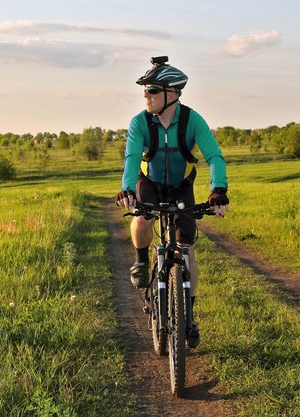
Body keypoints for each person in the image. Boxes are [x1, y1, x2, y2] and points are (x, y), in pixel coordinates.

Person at [116, 56, 229, 348]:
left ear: (172, 93)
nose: (146, 95)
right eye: (145, 90)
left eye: (152, 90)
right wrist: (127, 189)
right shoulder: (140, 123)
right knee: (143, 217)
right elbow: (131, 159)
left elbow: (214, 156)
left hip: (181, 187)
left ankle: (188, 316)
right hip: (149, 183)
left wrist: (218, 190)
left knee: (186, 247)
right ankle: (141, 261)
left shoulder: (193, 120)